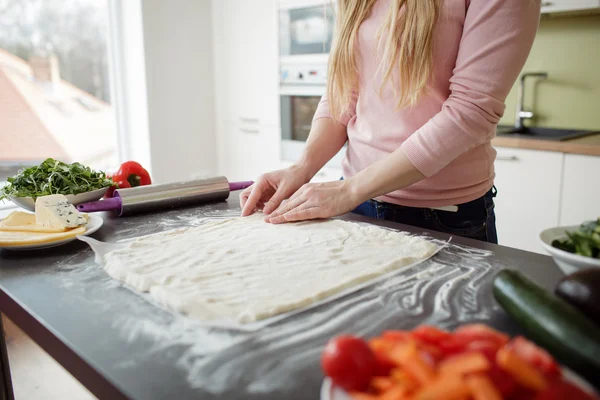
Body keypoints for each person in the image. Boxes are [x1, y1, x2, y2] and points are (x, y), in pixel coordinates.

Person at [240, 0, 541, 243]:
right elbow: (344, 91)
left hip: (441, 217)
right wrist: (301, 168)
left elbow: (471, 111)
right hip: (355, 203)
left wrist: (350, 191)